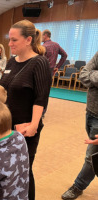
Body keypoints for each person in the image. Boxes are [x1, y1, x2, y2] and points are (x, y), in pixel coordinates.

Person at [0, 19, 51, 200]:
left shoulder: (39, 63)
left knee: (23, 172)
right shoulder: (12, 62)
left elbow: (41, 98)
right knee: (7, 169)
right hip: (6, 127)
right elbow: (3, 91)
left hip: (25, 129)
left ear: (28, 40)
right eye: (9, 39)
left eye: (14, 40)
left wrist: (34, 124)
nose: (9, 43)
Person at [61, 51, 98, 200]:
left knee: (92, 156)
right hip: (90, 112)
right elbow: (83, 74)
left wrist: (93, 74)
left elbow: (88, 74)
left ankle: (78, 186)